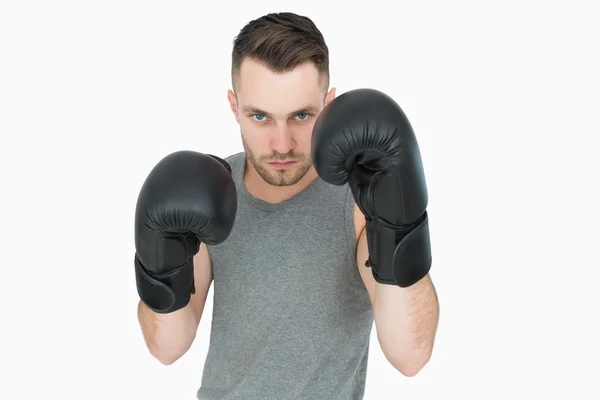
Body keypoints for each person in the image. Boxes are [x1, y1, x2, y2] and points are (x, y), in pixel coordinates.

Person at [133, 12, 440, 400]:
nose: (281, 144)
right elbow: (167, 348)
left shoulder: (361, 199)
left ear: (328, 104)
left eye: (301, 115)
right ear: (234, 106)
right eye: (260, 116)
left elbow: (410, 356)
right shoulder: (210, 192)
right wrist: (156, 256)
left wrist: (400, 218)